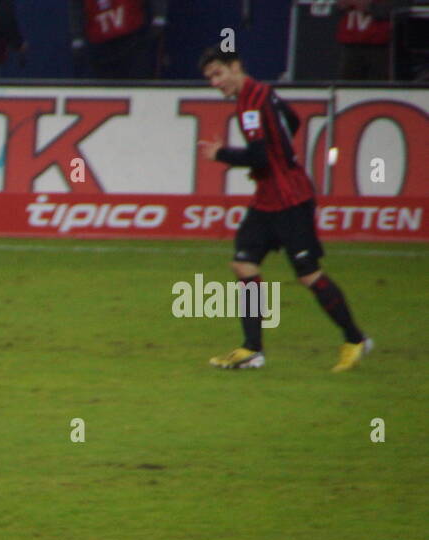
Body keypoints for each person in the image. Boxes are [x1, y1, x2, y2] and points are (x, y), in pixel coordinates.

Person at [197, 50, 372, 372]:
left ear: (237, 66)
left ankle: (355, 338)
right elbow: (293, 119)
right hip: (268, 198)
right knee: (243, 264)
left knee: (308, 274)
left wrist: (221, 153)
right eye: (210, 77)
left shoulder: (250, 102)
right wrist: (279, 153)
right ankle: (252, 349)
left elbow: (259, 157)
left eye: (219, 73)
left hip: (290, 200)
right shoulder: (263, 92)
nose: (215, 82)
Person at [69, 0, 166, 80]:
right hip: (100, 45)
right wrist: (77, 36)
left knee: (137, 79)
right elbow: (76, 8)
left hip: (133, 38)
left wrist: (159, 15)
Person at [336, 1, 398, 81]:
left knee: (379, 84)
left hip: (379, 45)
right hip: (351, 44)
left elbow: (395, 8)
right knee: (348, 85)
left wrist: (368, 6)